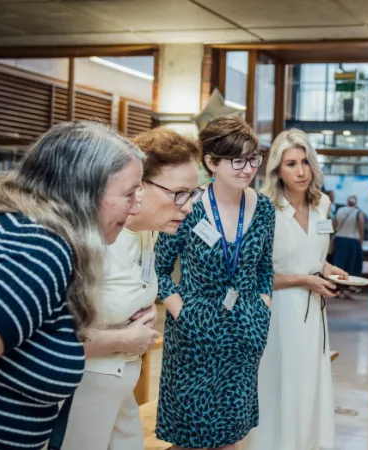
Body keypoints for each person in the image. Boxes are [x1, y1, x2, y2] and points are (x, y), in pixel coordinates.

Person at [0, 121, 145, 449]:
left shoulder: (1, 220)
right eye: (129, 193)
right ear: (85, 192)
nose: (137, 206)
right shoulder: (36, 250)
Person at [61, 127, 202, 450]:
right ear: (138, 185)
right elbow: (52, 338)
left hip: (122, 388)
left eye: (193, 195)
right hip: (82, 392)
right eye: (179, 193)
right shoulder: (88, 241)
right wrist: (124, 337)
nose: (188, 207)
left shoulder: (147, 234)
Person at [155, 116, 275, 450]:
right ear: (211, 162)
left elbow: (265, 266)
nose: (247, 168)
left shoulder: (263, 207)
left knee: (231, 434)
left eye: (253, 159)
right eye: (237, 160)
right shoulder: (189, 205)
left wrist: (261, 307)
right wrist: (183, 312)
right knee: (190, 434)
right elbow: (158, 268)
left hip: (244, 332)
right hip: (194, 335)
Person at [242, 129, 347, 450]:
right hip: (278, 313)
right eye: (291, 164)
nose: (300, 171)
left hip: (313, 315)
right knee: (279, 385)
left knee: (308, 385)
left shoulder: (323, 204)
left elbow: (311, 256)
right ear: (277, 169)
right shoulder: (263, 209)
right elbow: (252, 274)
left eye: (305, 162)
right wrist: (305, 279)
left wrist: (328, 271)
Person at [331, 195, 364, 277]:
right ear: (355, 202)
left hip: (339, 239)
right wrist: (361, 242)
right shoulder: (358, 212)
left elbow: (334, 225)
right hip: (353, 241)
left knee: (339, 263)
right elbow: (361, 229)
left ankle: (337, 283)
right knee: (351, 265)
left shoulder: (339, 210)